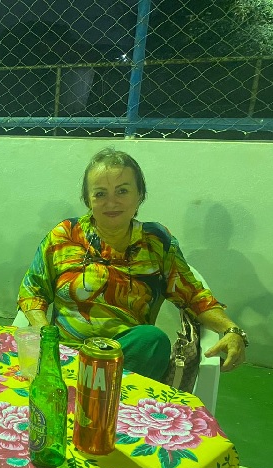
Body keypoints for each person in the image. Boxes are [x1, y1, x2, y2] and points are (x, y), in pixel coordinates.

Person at [17, 148, 247, 380]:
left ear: (140, 196)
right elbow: (32, 291)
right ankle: (85, 385)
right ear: (88, 200)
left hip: (125, 360)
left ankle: (91, 387)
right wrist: (46, 339)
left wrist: (231, 330)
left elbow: (194, 296)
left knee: (152, 341)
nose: (111, 202)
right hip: (65, 355)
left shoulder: (156, 242)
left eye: (122, 191)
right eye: (100, 194)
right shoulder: (65, 235)